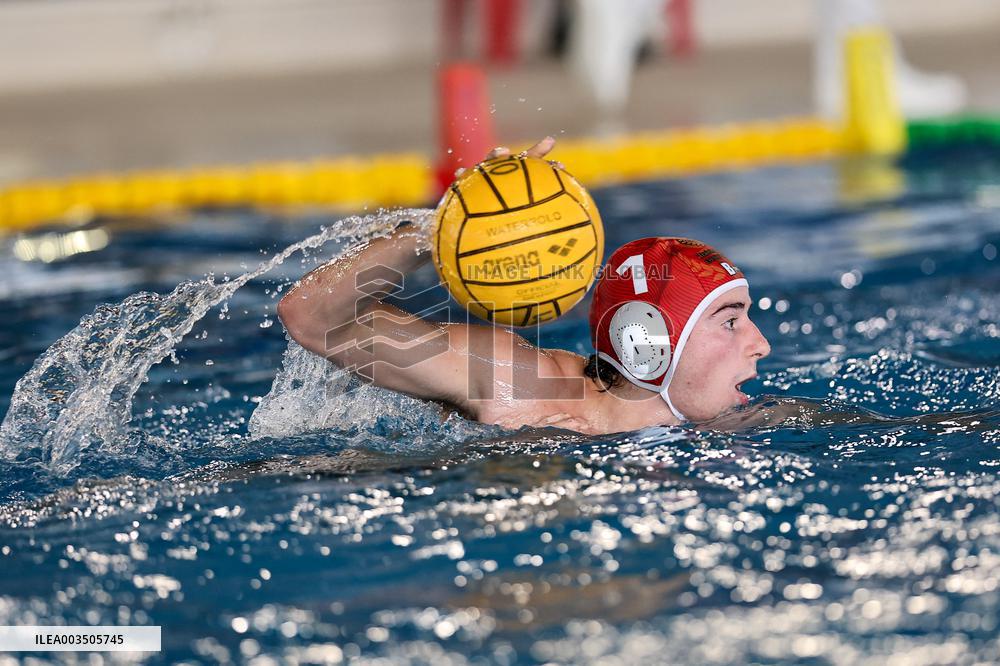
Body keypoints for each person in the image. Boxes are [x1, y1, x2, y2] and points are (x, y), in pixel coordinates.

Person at [276, 137, 770, 435]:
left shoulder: (751, 422)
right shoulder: (524, 383)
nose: (760, 345)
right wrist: (446, 229)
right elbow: (313, 317)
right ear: (647, 340)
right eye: (729, 321)